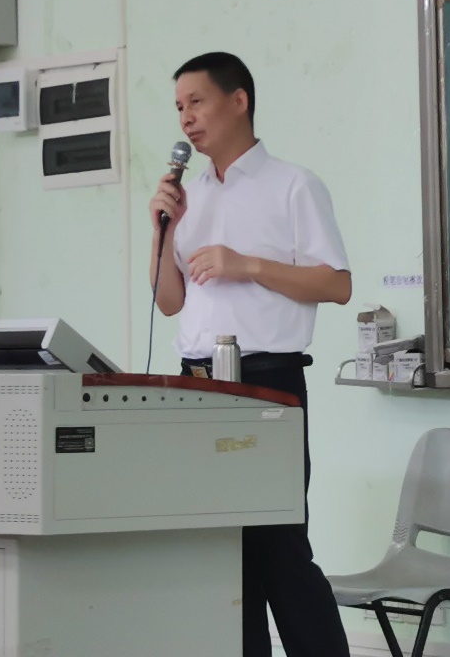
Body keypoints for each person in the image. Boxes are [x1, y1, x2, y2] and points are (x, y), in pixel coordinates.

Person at [147, 51, 352, 657]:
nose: (186, 119)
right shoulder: (188, 197)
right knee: (221, 554)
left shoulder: (293, 185)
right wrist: (161, 230)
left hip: (264, 383)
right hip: (196, 384)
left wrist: (249, 266)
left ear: (238, 101)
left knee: (279, 547)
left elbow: (336, 284)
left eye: (197, 102)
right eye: (178, 108)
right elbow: (169, 302)